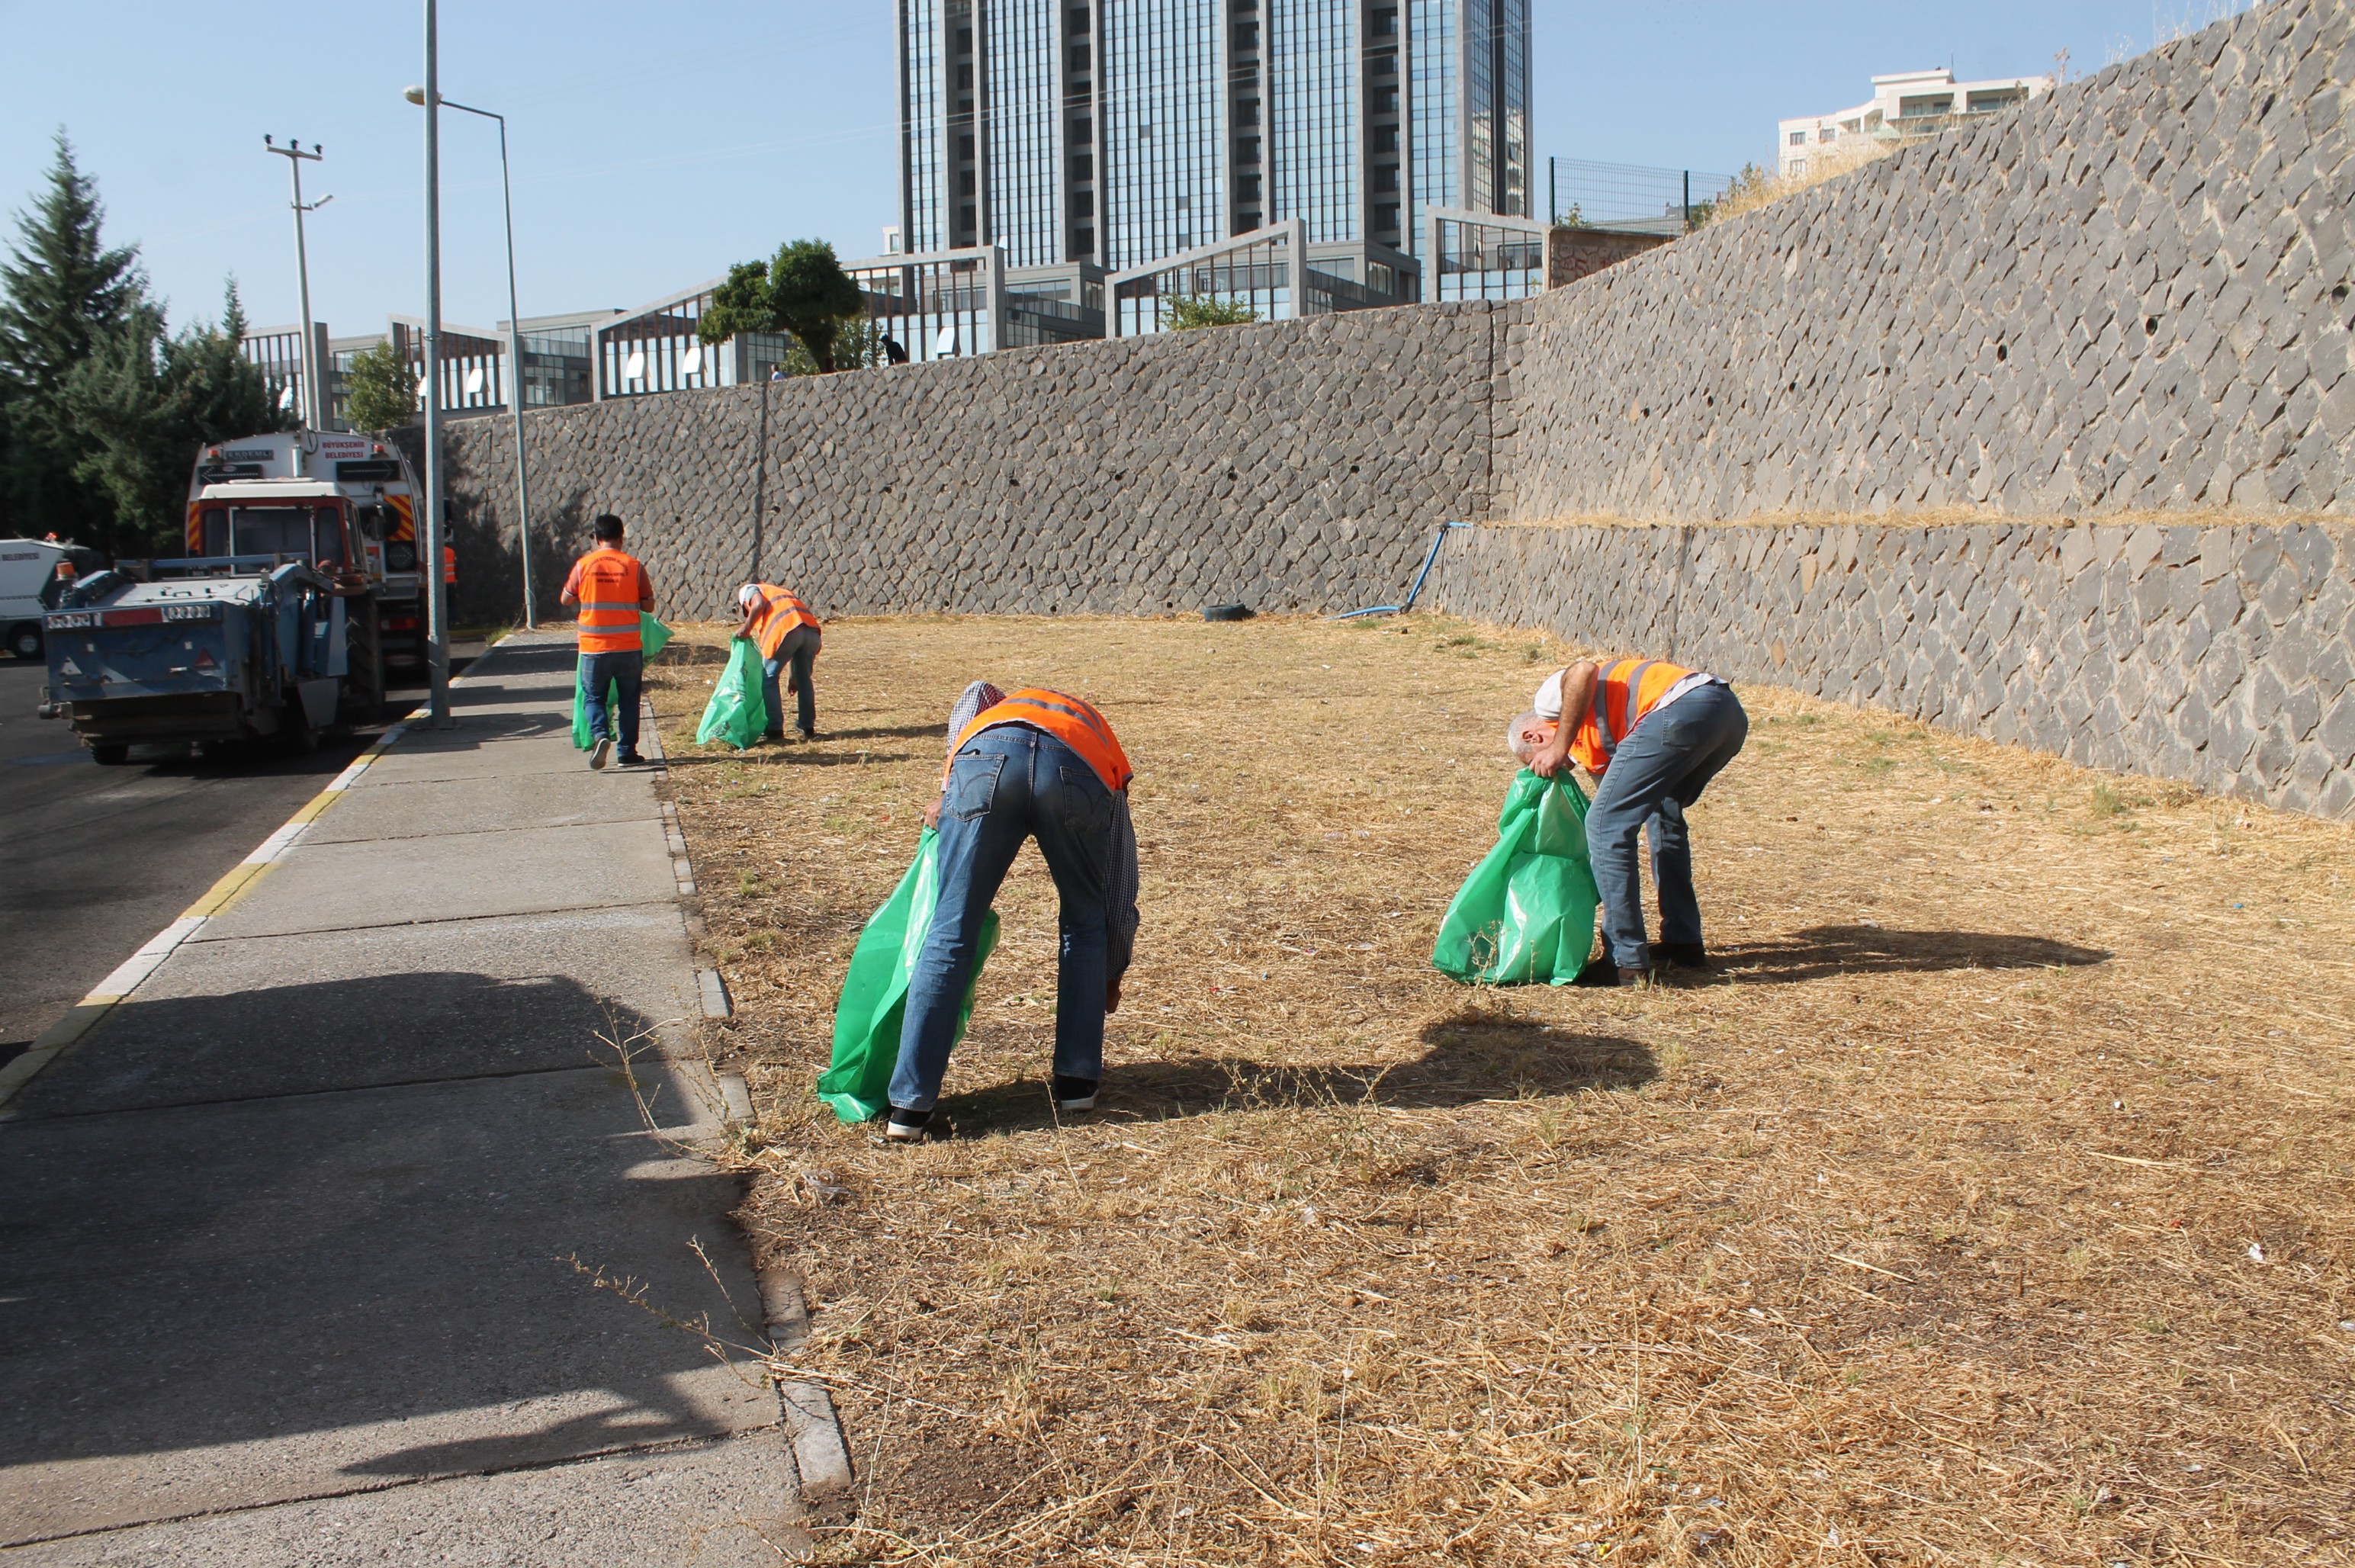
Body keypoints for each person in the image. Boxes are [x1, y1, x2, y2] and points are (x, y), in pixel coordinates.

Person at [885, 683, 1142, 1142]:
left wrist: (948, 786)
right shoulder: (1096, 735)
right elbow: (1118, 895)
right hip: (1075, 767)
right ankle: (1077, 1085)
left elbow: (972, 692)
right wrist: (1112, 971)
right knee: (1086, 923)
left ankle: (909, 1106)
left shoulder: (994, 708)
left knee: (951, 930)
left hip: (981, 761)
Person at [1512, 657, 1748, 986]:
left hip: (1679, 709)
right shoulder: (1592, 743)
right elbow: (1619, 802)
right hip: (1724, 715)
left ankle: (1624, 961)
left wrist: (1559, 747)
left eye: (1540, 763)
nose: (1561, 766)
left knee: (1604, 825)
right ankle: (1683, 943)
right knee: (1662, 814)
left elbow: (1584, 670)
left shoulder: (1550, 705)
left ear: (1533, 737)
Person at [559, 515, 656, 770]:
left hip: (593, 648)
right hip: (628, 647)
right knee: (629, 700)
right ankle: (627, 753)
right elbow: (649, 604)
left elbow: (565, 599)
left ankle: (601, 734)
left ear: (596, 538)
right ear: (622, 537)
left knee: (593, 698)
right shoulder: (634, 566)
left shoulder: (583, 565)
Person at [732, 582, 822, 741]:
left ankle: (774, 728)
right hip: (811, 631)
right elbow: (795, 634)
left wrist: (746, 628)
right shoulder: (781, 592)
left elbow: (759, 604)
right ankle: (807, 727)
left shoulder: (750, 590)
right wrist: (792, 676)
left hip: (787, 630)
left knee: (769, 678)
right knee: (804, 681)